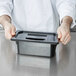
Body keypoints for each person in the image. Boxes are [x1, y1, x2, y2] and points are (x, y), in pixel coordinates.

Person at [0, 0, 75, 45]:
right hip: (16, 37)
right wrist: (6, 23)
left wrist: (65, 24)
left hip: (51, 39)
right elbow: (3, 4)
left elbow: (66, 2)